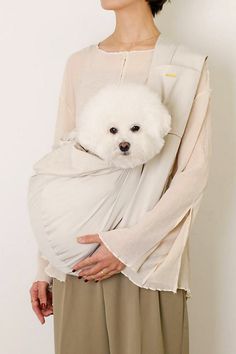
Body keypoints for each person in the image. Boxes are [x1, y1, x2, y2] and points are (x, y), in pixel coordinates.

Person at [29, 1, 212, 353]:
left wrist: (128, 246)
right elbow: (59, 168)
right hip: (77, 261)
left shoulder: (187, 65)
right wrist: (44, 266)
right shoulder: (79, 64)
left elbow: (194, 171)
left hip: (150, 263)